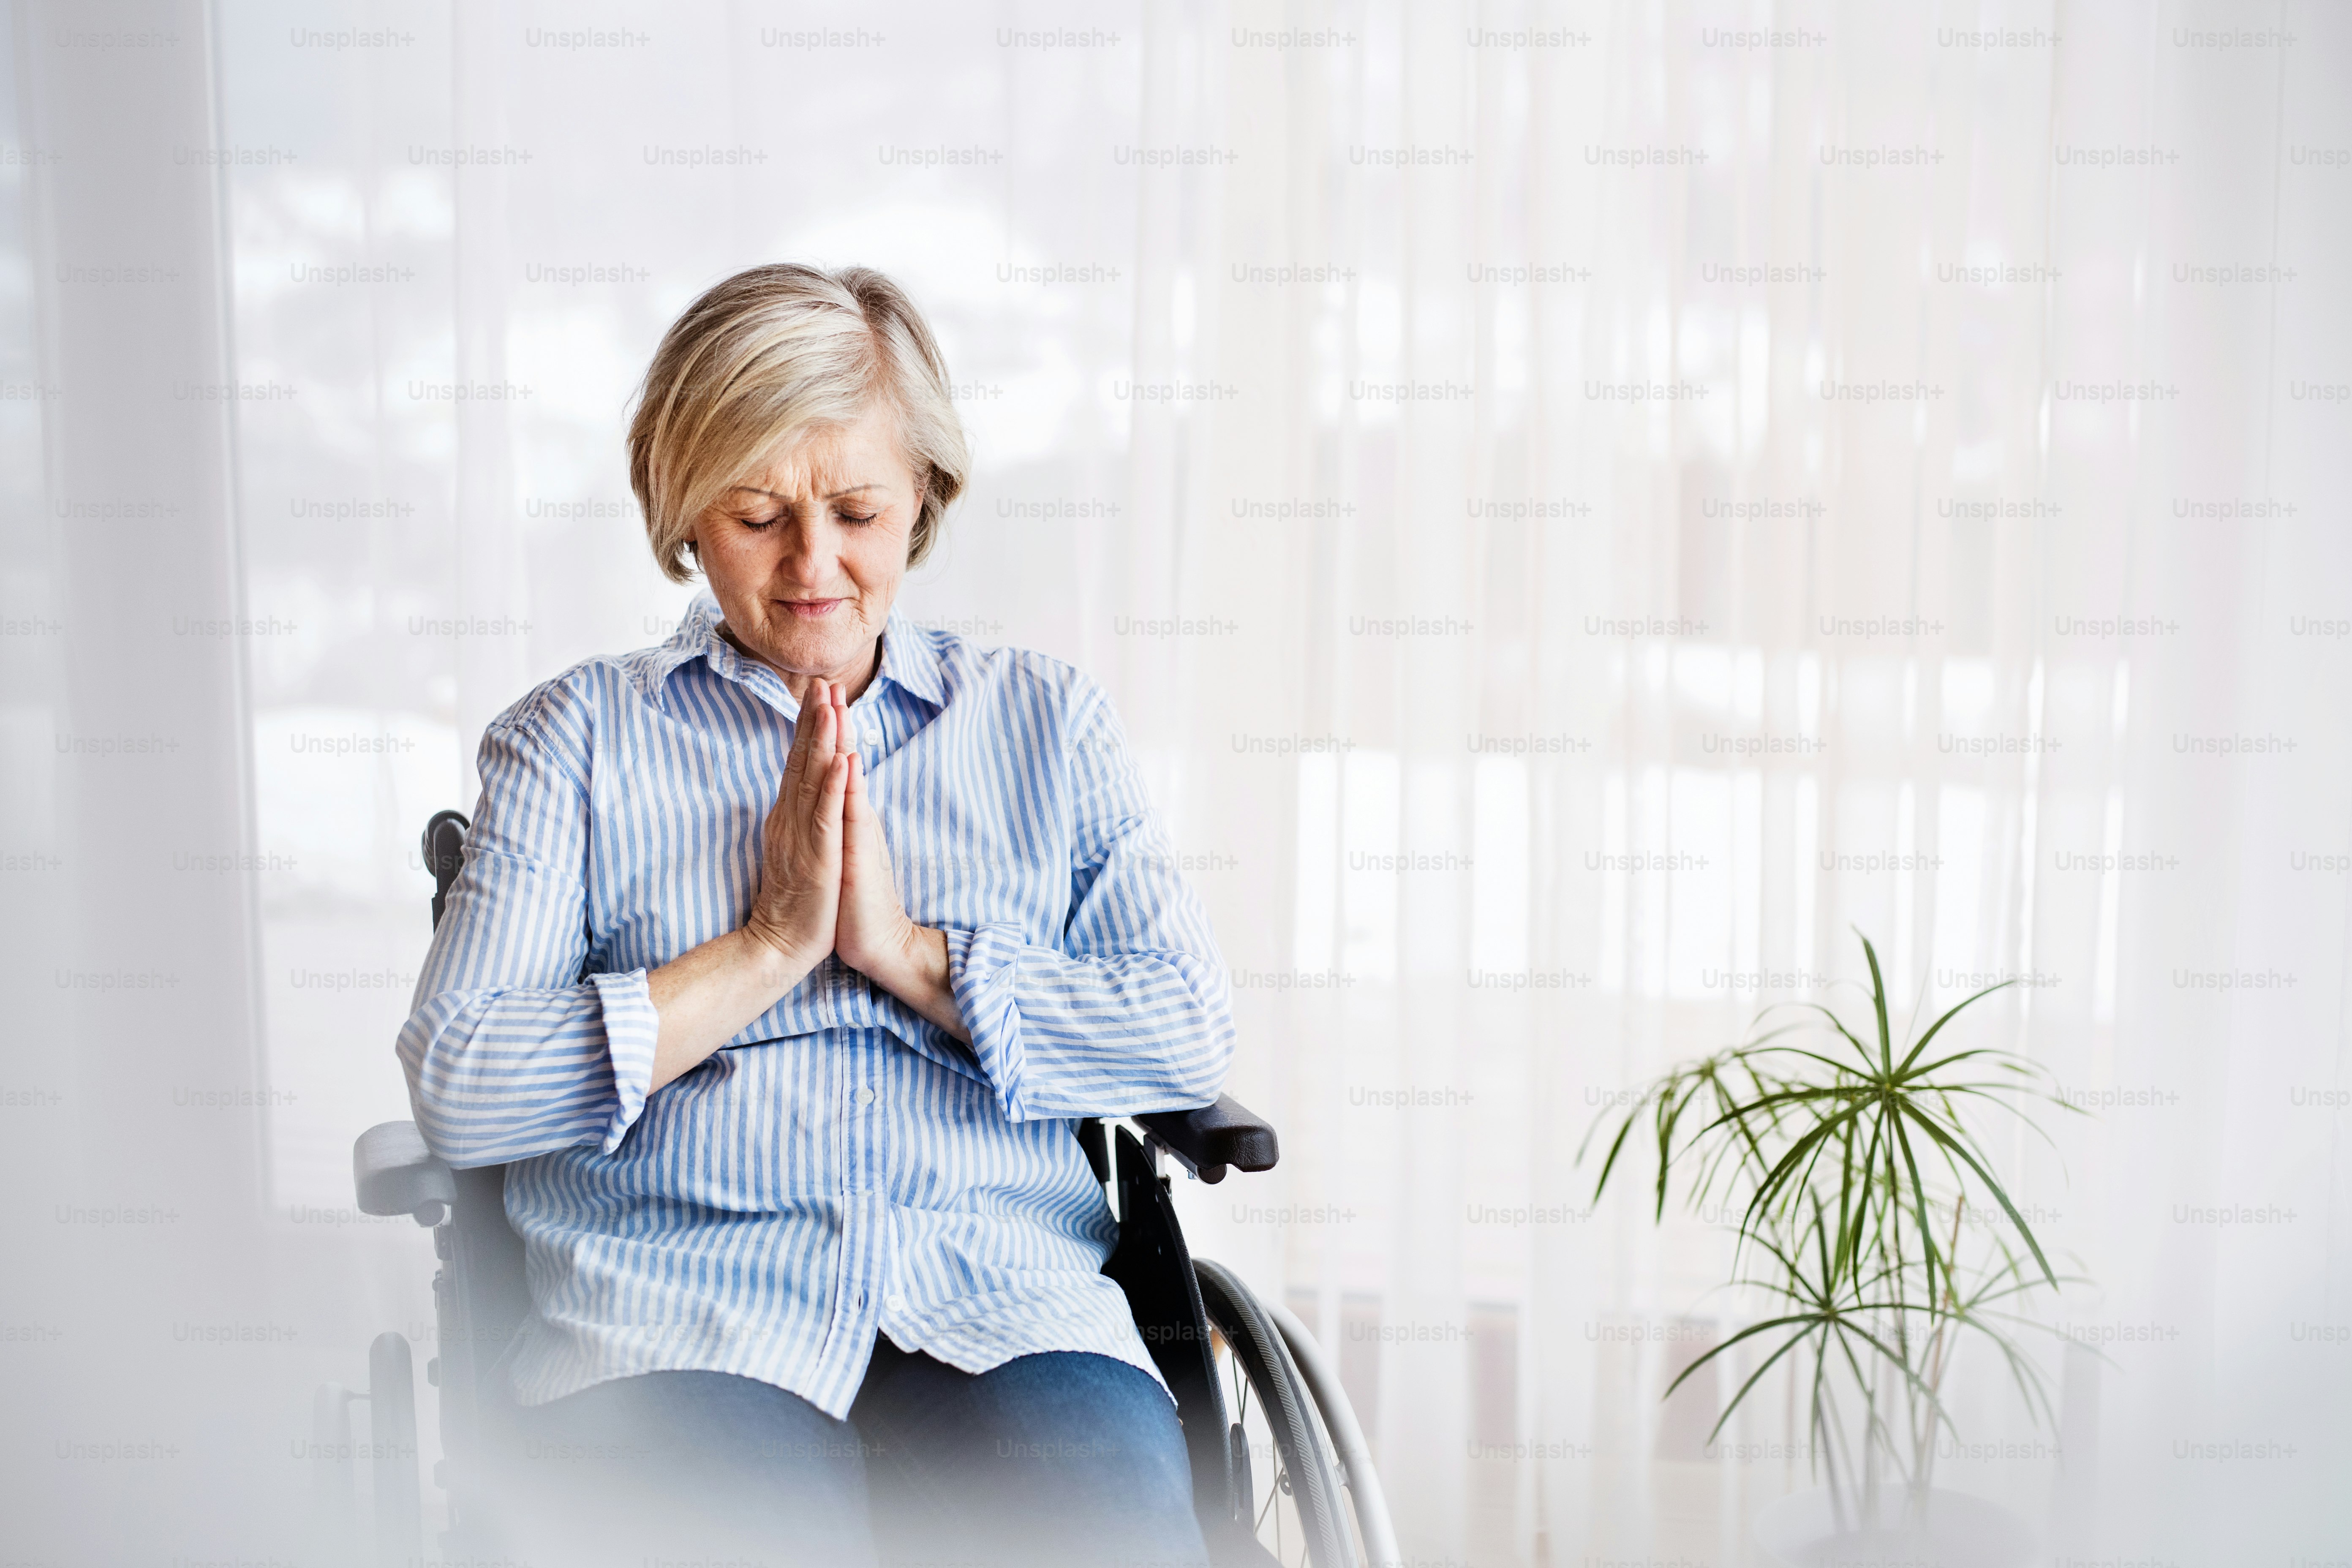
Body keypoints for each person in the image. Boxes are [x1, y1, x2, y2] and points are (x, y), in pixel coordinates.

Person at [397, 263, 1230, 1567]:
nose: (814, 567)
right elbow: (464, 1081)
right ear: (683, 514)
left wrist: (906, 956)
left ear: (926, 501)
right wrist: (767, 947)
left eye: (858, 511)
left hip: (1003, 1298)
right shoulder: (573, 744)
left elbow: (1185, 1031)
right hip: (681, 1309)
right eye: (756, 515)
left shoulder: (1047, 729)